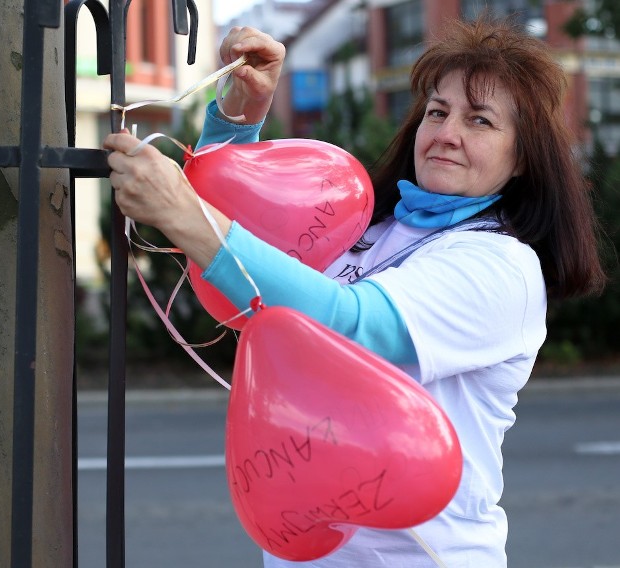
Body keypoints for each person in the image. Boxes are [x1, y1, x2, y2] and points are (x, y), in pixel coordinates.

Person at [104, 16, 606, 568]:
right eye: (437, 112)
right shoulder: (373, 229)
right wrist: (237, 115)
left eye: (480, 120)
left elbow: (348, 326)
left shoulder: (501, 265)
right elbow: (244, 281)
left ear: (524, 157)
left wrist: (185, 213)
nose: (447, 133)